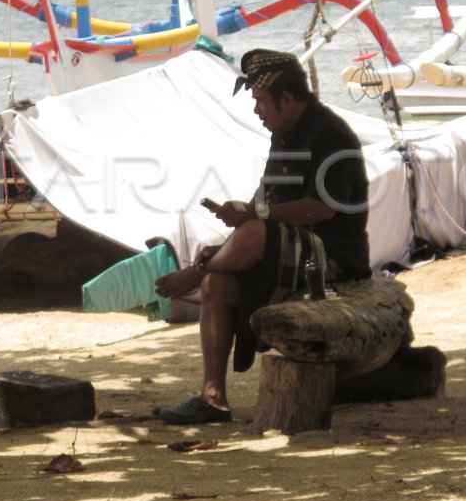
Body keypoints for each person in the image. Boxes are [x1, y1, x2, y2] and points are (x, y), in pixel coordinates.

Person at [152, 49, 372, 424]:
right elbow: (265, 202)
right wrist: (235, 226)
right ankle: (213, 399)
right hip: (288, 254)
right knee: (217, 286)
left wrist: (252, 217)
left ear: (286, 100)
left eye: (260, 101)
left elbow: (321, 209)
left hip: (332, 258)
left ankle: (196, 271)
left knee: (251, 233)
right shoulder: (284, 135)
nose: (257, 110)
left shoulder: (330, 135)